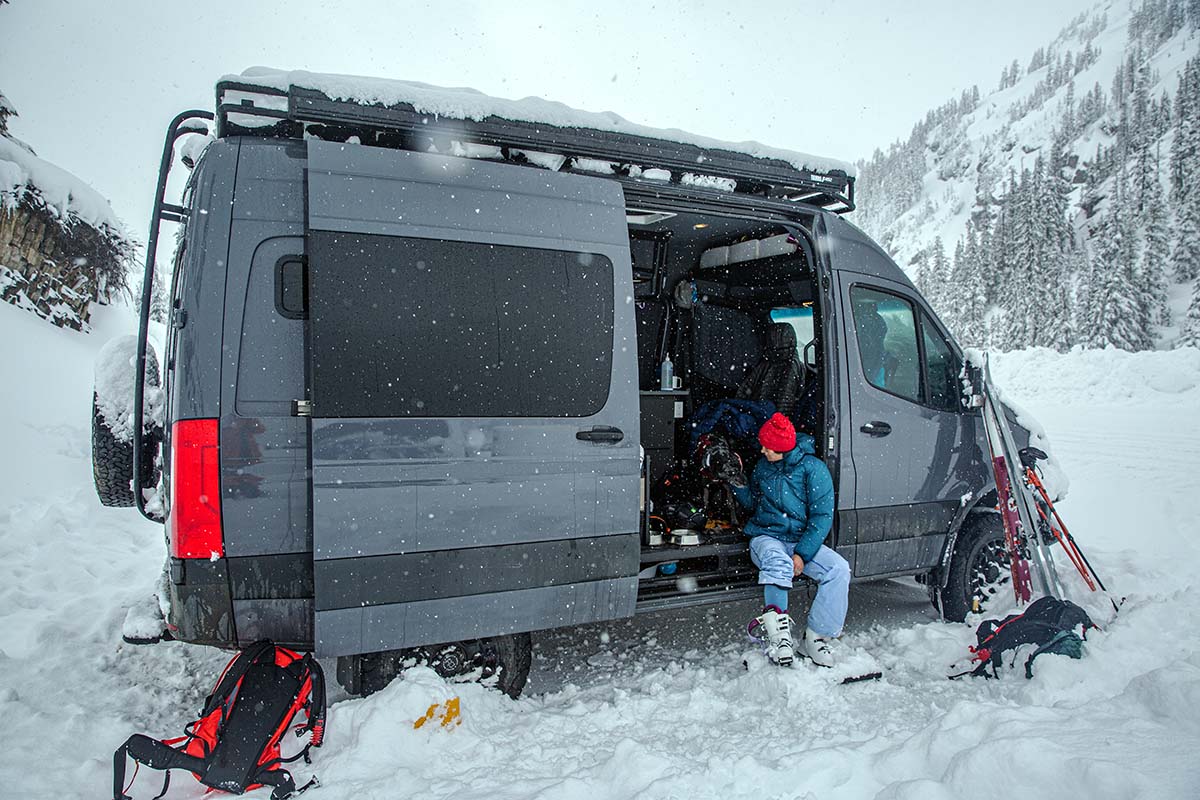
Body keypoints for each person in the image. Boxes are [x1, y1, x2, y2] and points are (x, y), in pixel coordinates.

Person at [729, 412, 850, 667]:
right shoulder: (763, 467)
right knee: (777, 562)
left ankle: (815, 638)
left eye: (768, 447)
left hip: (800, 540)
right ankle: (778, 638)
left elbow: (821, 517)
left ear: (784, 448)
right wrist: (738, 483)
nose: (762, 451)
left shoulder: (813, 470)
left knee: (838, 569)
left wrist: (802, 553)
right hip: (766, 536)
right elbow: (753, 503)